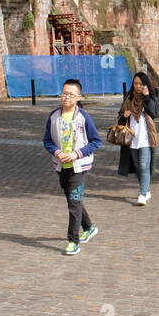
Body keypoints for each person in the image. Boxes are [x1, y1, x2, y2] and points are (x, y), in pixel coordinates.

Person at [42, 78, 101, 255]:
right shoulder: (53, 116)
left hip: (79, 166)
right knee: (73, 200)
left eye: (71, 94)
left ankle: (73, 241)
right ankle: (89, 227)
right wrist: (57, 152)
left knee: (73, 204)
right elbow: (47, 140)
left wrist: (77, 154)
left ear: (78, 97)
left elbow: (96, 141)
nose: (66, 97)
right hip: (61, 165)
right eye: (64, 93)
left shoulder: (84, 117)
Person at [116, 71, 159, 205]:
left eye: (141, 84)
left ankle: (142, 194)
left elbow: (156, 113)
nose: (138, 86)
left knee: (143, 165)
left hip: (146, 137)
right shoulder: (129, 98)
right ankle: (146, 190)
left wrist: (146, 97)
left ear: (146, 84)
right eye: (136, 83)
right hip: (131, 137)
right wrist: (125, 115)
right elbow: (119, 117)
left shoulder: (151, 96)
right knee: (137, 167)